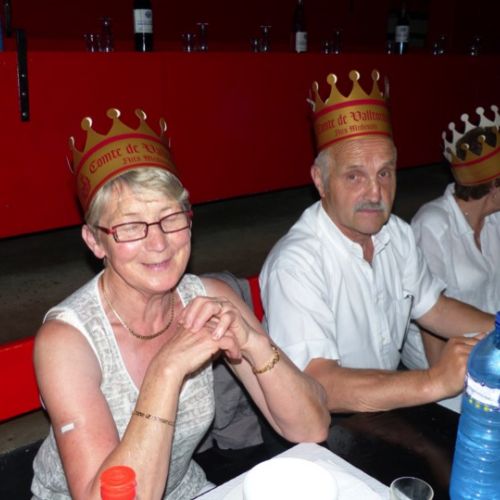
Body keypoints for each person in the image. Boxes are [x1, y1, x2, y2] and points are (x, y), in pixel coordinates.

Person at [31, 108, 330, 500]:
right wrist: (166, 370)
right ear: (95, 241)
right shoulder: (66, 341)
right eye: (131, 226)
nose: (159, 243)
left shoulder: (210, 299)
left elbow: (311, 428)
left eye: (170, 218)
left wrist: (256, 344)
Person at [259, 70, 495, 415]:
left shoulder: (396, 234)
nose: (375, 193)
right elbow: (317, 383)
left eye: (384, 173)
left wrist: (497, 327)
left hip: (385, 406)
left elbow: (435, 308)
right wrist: (433, 380)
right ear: (320, 180)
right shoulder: (296, 264)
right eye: (354, 176)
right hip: (327, 425)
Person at [407, 105, 500, 370]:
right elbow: (429, 314)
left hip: (491, 342)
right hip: (448, 358)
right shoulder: (432, 226)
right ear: (494, 187)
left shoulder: (495, 218)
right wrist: (440, 379)